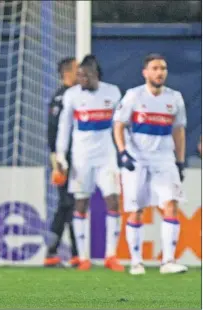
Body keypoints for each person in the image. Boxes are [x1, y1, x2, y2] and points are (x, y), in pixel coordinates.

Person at [113, 53, 189, 275]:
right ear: (145, 72)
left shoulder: (175, 98)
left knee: (171, 204)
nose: (160, 72)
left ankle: (168, 261)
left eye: (163, 68)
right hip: (137, 159)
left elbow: (179, 130)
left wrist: (180, 160)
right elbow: (119, 124)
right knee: (136, 210)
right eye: (155, 68)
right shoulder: (133, 96)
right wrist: (122, 152)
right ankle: (136, 262)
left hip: (164, 159)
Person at [55, 55, 124, 271]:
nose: (81, 79)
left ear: (96, 75)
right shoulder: (72, 95)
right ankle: (83, 257)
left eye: (85, 75)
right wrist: (60, 156)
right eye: (79, 75)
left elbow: (120, 124)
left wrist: (124, 151)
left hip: (107, 157)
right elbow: (64, 127)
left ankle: (111, 255)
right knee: (80, 203)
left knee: (113, 201)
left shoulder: (112, 92)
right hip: (81, 158)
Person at [44, 57, 79, 267]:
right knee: (70, 203)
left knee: (66, 205)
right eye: (78, 70)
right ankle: (75, 253)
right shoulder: (62, 97)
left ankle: (53, 251)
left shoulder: (72, 95)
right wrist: (57, 158)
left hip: (74, 157)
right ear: (68, 73)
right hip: (64, 159)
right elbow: (52, 131)